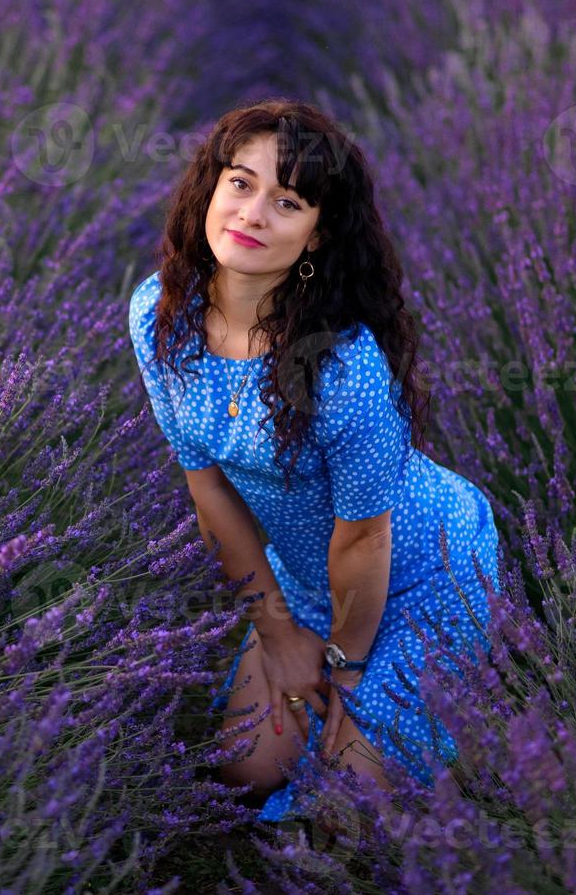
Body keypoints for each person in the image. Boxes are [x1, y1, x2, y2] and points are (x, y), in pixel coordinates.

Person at [126, 98, 502, 826]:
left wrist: (345, 670)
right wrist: (278, 632)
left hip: (420, 568)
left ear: (316, 236)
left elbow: (364, 538)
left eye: (287, 201)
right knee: (242, 772)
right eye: (240, 182)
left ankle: (463, 691)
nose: (253, 212)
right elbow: (206, 490)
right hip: (305, 580)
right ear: (209, 188)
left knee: (348, 812)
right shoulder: (158, 318)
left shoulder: (340, 367)